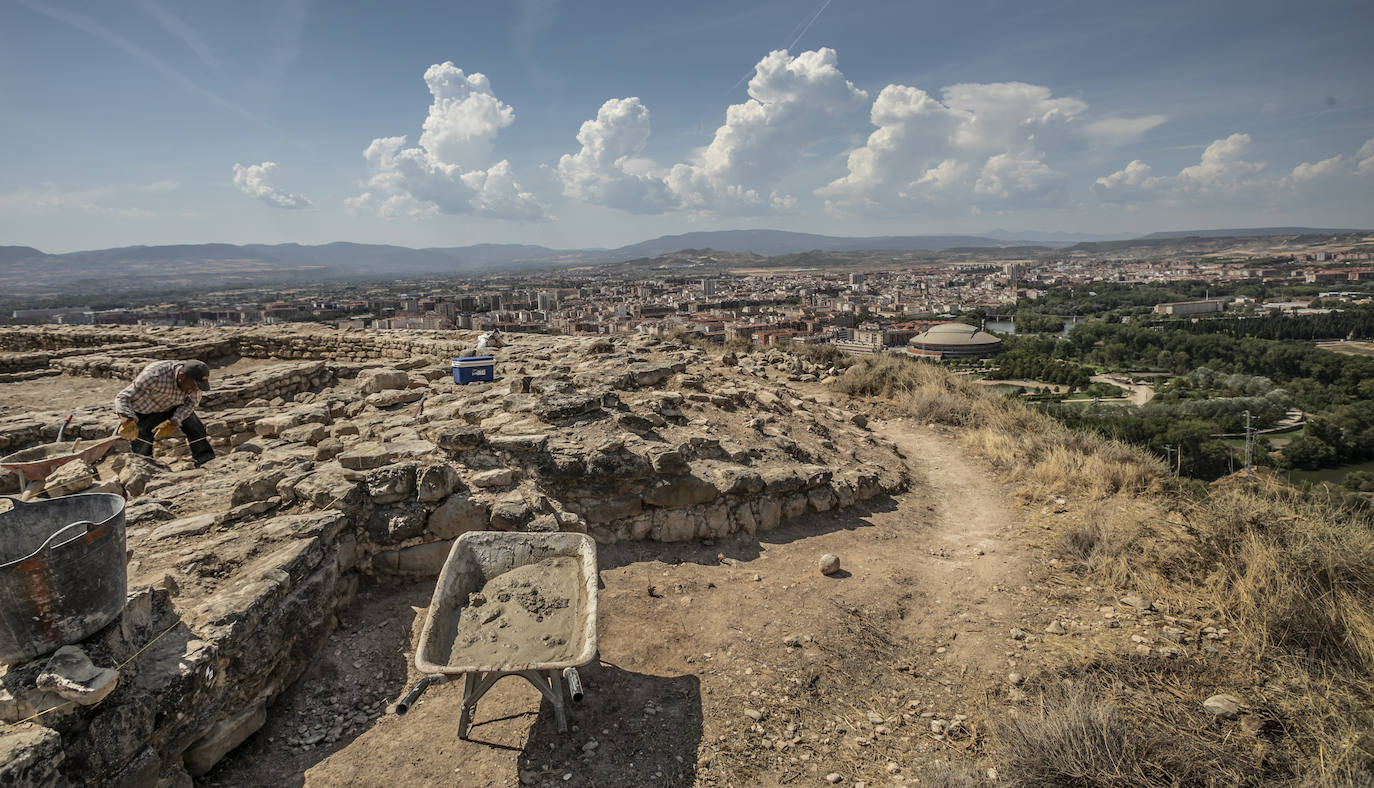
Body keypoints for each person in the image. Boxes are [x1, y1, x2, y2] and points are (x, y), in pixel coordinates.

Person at [114, 359, 215, 467]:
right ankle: (147, 469)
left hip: (173, 406)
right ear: (181, 377)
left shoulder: (195, 383)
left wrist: (175, 420)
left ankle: (205, 460)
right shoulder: (154, 376)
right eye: (192, 386)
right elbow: (123, 397)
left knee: (195, 427)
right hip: (145, 410)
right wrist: (126, 418)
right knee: (142, 443)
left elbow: (190, 404)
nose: (195, 389)